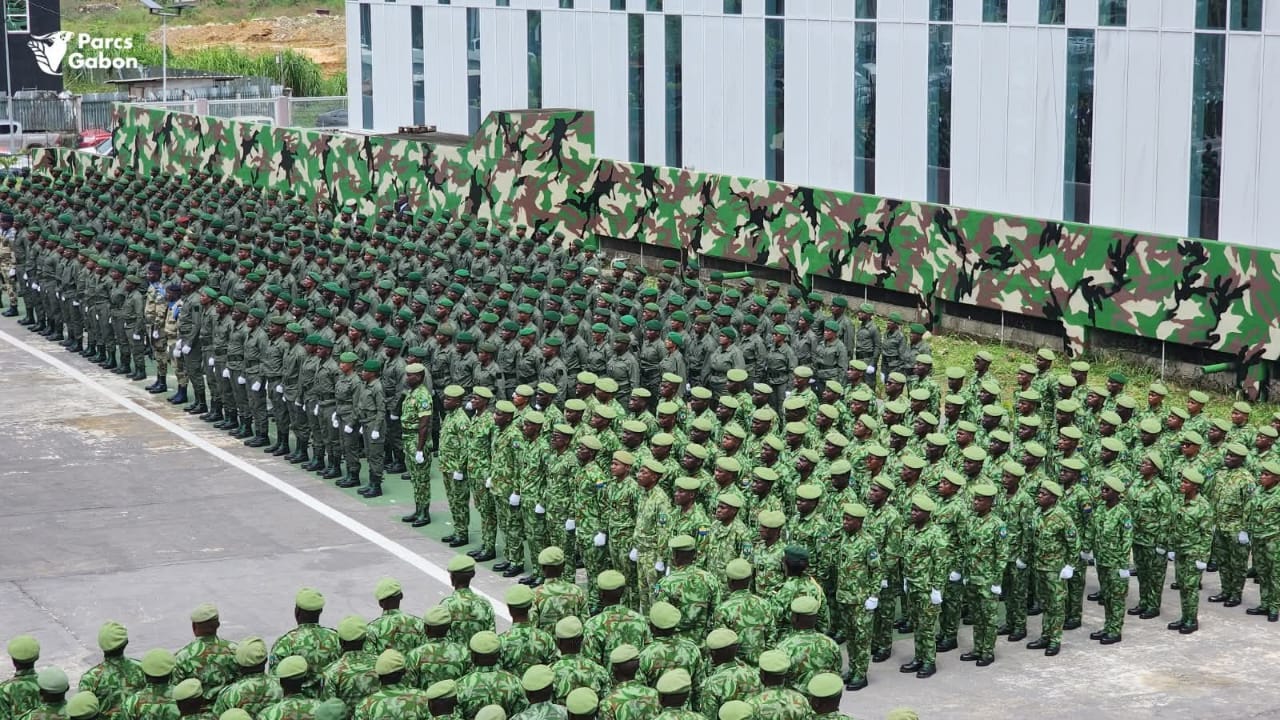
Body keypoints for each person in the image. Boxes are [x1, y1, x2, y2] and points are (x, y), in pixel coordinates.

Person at [1027, 481, 1080, 655]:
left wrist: (1070, 565)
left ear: (1054, 498)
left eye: (1044, 494)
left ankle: (1055, 640)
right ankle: (1045, 635)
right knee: (1046, 604)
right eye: (1039, 493)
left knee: (1057, 605)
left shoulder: (1061, 516)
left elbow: (1074, 542)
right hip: (1039, 566)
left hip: (1055, 569)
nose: (1039, 496)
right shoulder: (1037, 513)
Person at [1167, 468, 1213, 634]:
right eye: (1182, 481)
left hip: (1194, 552)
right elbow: (1173, 525)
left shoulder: (1203, 507)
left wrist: (1203, 558)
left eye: (1186, 482)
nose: (1182, 485)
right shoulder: (1178, 501)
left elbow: (1207, 534)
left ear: (1195, 487)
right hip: (1180, 550)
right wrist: (1171, 547)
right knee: (1182, 585)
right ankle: (1184, 616)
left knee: (1190, 587)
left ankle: (1191, 620)